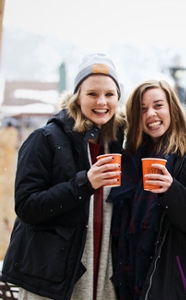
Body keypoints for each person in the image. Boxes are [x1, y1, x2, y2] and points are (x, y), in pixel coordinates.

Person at [0, 53, 126, 300]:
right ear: (78, 97)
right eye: (92, 93)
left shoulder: (120, 144)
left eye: (109, 94)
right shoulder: (45, 139)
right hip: (50, 281)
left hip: (104, 279)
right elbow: (27, 207)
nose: (102, 101)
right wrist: (85, 183)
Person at [107, 79, 186, 299]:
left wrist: (171, 190)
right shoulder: (130, 160)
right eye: (142, 109)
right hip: (131, 279)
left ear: (172, 108)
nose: (151, 114)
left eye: (158, 105)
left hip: (175, 283)